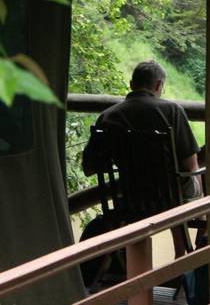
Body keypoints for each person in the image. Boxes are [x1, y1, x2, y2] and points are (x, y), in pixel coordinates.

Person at [82, 60, 203, 256]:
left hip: (130, 198)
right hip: (170, 199)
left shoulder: (108, 116)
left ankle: (136, 266)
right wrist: (200, 207)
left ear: (131, 84)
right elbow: (191, 165)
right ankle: (183, 255)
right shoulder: (172, 111)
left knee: (163, 189)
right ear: (158, 85)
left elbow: (90, 167)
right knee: (192, 180)